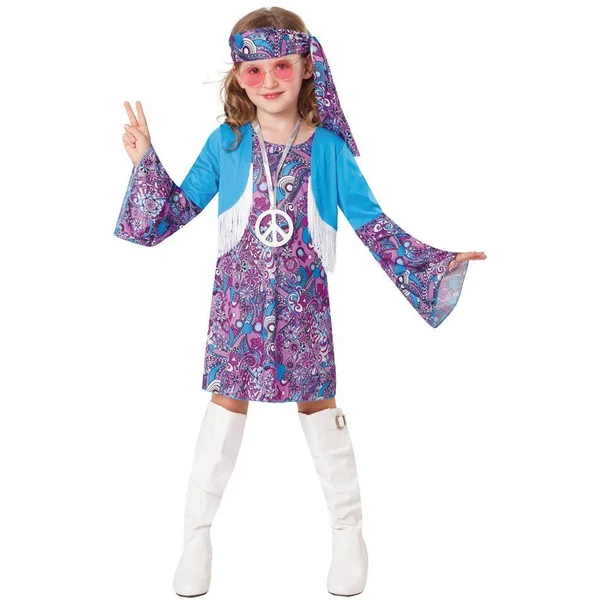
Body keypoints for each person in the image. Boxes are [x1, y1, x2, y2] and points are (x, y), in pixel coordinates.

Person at [114, 7, 487, 597]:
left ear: (307, 67)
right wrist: (144, 162)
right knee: (225, 404)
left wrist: (435, 262)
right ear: (238, 77)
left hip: (304, 309)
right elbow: (171, 214)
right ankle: (195, 537)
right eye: (254, 70)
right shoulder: (227, 144)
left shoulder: (328, 150)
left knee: (318, 406)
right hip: (237, 310)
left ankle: (348, 533)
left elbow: (371, 224)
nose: (269, 81)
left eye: (281, 66)